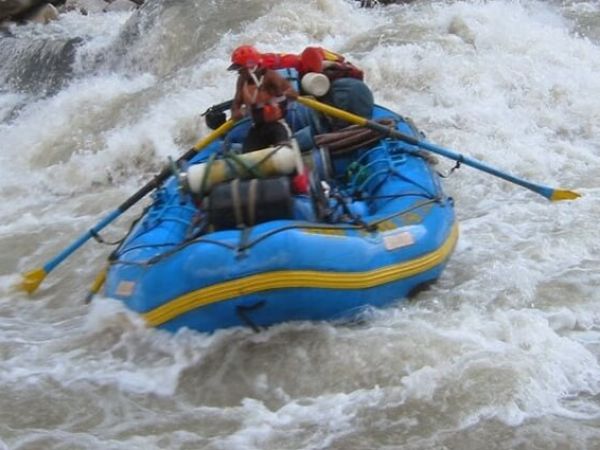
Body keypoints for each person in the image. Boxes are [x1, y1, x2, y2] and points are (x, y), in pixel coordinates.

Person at [228, 45, 299, 153]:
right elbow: (236, 104)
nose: (239, 72)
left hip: (277, 125)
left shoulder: (270, 76)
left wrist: (287, 93)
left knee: (284, 151)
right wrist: (236, 112)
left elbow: (293, 93)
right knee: (248, 155)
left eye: (241, 69)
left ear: (251, 66)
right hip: (257, 128)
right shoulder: (242, 81)